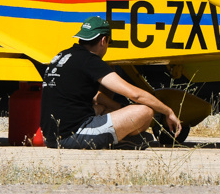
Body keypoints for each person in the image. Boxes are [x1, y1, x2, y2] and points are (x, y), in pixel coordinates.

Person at [40, 16, 182, 149]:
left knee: (104, 108)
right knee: (145, 111)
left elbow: (96, 96)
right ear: (103, 41)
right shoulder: (90, 61)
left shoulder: (62, 56)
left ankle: (118, 137)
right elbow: (135, 95)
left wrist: (116, 107)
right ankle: (120, 140)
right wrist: (168, 111)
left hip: (50, 136)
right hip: (71, 136)